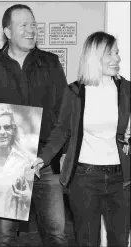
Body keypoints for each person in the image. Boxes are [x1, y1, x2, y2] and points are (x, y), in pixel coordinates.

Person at [0, 4, 68, 247]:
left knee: (57, 235)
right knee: (5, 238)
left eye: (33, 24)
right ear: (8, 32)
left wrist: (48, 155)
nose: (31, 30)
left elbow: (63, 116)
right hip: (4, 166)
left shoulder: (51, 63)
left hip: (45, 163)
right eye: (24, 25)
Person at [36, 31, 130, 247]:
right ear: (94, 57)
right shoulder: (75, 91)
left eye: (117, 53)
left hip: (122, 179)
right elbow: (62, 130)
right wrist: (43, 158)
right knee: (87, 241)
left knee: (120, 241)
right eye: (110, 54)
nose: (117, 59)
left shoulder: (127, 90)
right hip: (84, 178)